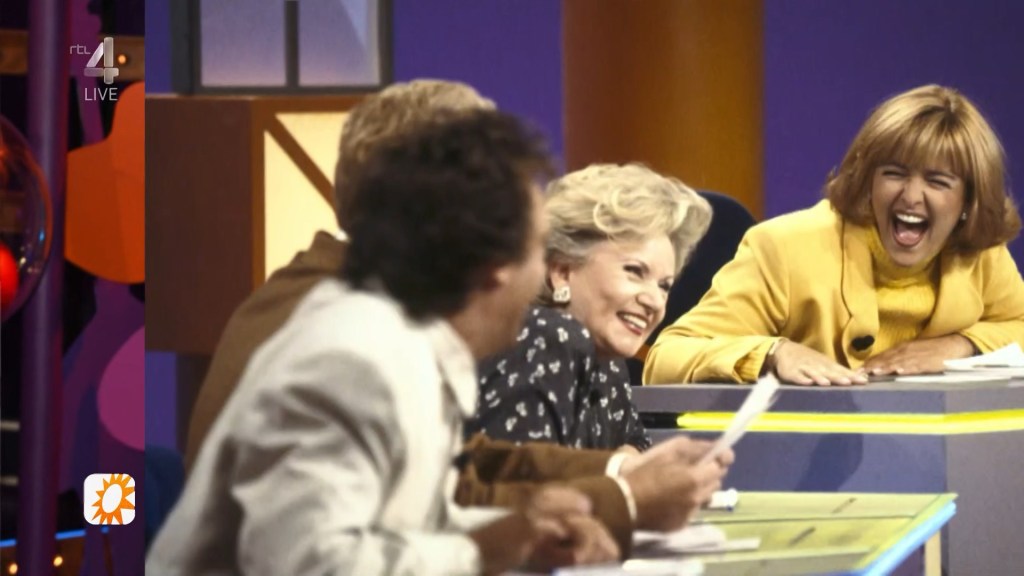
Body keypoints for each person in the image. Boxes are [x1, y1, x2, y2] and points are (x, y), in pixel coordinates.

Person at [180, 79, 731, 558]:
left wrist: (617, 481)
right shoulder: (348, 341)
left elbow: (454, 470)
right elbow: (325, 560)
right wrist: (611, 505)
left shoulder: (376, 304)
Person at [147, 111, 626, 575]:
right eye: (538, 248)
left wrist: (524, 534)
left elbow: (410, 525)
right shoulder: (352, 359)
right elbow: (309, 565)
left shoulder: (413, 345)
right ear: (495, 266)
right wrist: (481, 551)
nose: (545, 272)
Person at [644, 84, 1024, 386]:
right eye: (893, 173)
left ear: (968, 200)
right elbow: (666, 357)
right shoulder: (785, 247)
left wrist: (959, 346)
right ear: (868, 180)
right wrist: (773, 353)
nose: (910, 196)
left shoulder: (978, 251)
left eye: (937, 181)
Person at [467, 164, 712, 450]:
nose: (655, 301)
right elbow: (527, 475)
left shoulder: (607, 361)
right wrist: (624, 470)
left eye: (664, 286)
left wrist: (630, 460)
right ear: (562, 271)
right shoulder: (543, 338)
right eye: (634, 271)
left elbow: (635, 442)